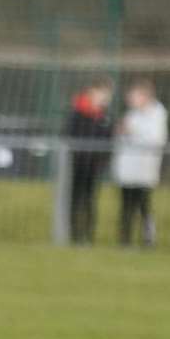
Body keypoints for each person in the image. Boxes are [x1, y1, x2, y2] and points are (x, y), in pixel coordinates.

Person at [112, 79, 167, 248]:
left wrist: (132, 131)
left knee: (143, 205)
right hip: (127, 168)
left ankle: (148, 238)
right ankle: (125, 239)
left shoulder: (158, 114)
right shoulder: (131, 115)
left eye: (134, 95)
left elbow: (156, 139)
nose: (130, 99)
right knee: (126, 205)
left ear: (145, 96)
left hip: (145, 168)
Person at [65, 78, 114, 245]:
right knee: (76, 199)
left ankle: (88, 235)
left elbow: (108, 139)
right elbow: (70, 135)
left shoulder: (105, 116)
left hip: (95, 165)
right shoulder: (78, 113)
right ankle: (74, 235)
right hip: (78, 164)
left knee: (90, 200)